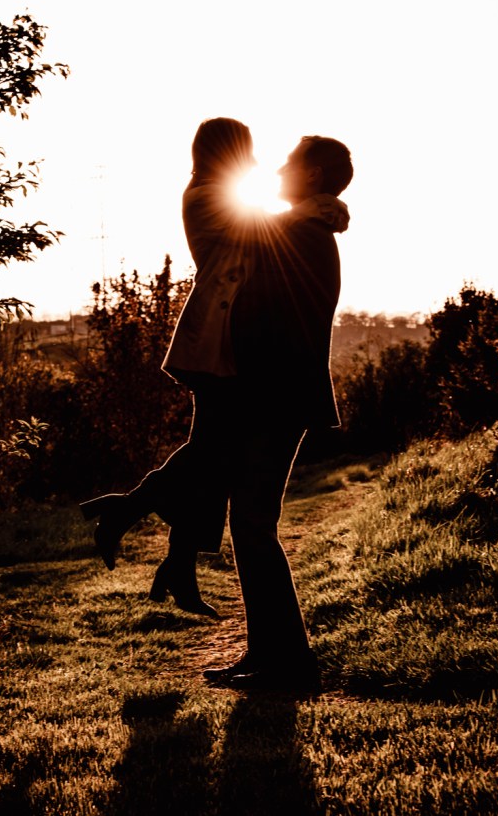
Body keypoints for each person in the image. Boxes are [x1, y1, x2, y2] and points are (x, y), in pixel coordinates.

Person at [80, 119, 347, 619]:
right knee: (212, 453)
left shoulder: (231, 197)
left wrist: (314, 209)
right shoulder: (204, 195)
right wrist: (314, 206)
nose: (260, 163)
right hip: (214, 347)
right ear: (229, 152)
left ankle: (166, 552)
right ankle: (132, 516)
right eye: (247, 150)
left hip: (228, 350)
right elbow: (261, 232)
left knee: (213, 459)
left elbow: (271, 237)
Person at [203, 135, 354, 691]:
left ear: (313, 175)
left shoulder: (306, 237)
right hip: (272, 396)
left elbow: (272, 320)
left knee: (252, 524)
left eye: (290, 162)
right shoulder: (300, 230)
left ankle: (288, 662)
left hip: (274, 398)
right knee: (250, 524)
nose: (280, 168)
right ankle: (269, 653)